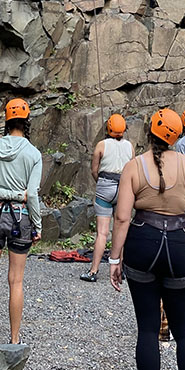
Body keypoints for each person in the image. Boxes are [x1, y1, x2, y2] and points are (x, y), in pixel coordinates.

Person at [110, 108, 185, 370]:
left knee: (148, 329)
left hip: (142, 243)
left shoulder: (134, 166)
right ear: (175, 138)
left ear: (149, 132)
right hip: (177, 245)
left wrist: (114, 259)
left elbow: (121, 218)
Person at [0, 98, 43, 344]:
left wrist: (6, 194)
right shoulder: (33, 154)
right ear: (26, 121)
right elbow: (31, 195)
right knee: (16, 281)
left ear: (6, 120)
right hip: (20, 218)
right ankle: (14, 341)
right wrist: (37, 225)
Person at [81, 113, 134, 283]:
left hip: (105, 186)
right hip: (124, 188)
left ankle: (93, 271)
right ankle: (122, 268)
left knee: (102, 233)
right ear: (124, 129)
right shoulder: (130, 146)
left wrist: (102, 184)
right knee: (121, 231)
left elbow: (94, 170)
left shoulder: (101, 145)